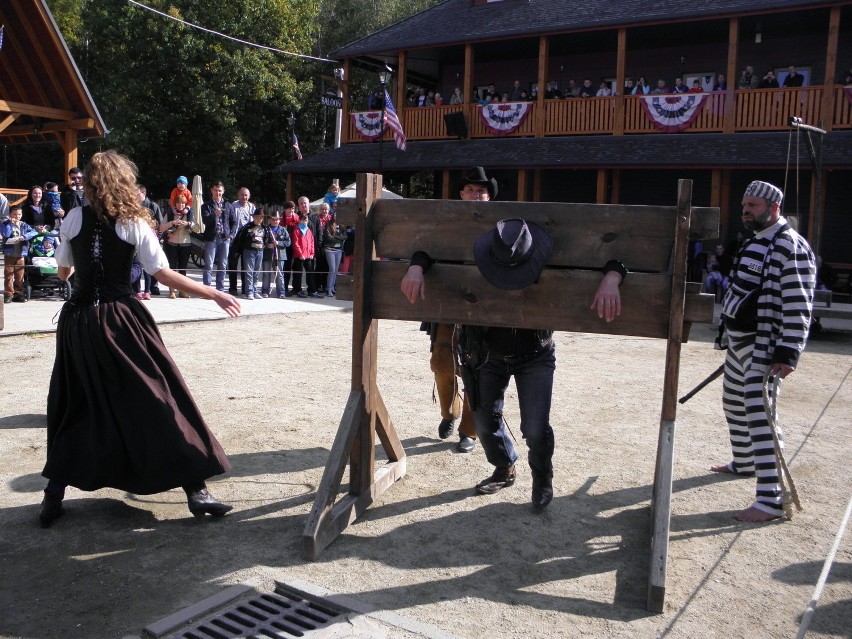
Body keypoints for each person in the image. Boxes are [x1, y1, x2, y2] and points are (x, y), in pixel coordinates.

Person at [39, 151, 241, 528]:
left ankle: (53, 495)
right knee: (160, 397)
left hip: (80, 323)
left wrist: (74, 259)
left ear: (91, 183)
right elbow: (162, 274)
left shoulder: (72, 218)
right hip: (120, 321)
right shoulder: (133, 223)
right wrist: (212, 293)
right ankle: (196, 491)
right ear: (123, 181)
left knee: (75, 402)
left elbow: (64, 272)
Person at [401, 217, 626, 508]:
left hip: (536, 354)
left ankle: (542, 478)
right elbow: (433, 249)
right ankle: (505, 467)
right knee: (483, 420)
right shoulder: (483, 251)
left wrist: (613, 275)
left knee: (535, 427)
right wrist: (417, 265)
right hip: (488, 352)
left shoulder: (550, 258)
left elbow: (610, 254)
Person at [711, 181, 816, 523]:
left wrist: (787, 353)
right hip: (739, 342)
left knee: (762, 419)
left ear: (773, 208)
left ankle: (770, 499)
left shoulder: (790, 246)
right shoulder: (755, 240)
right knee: (733, 405)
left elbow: (799, 303)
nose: (745, 210)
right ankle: (744, 462)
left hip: (763, 346)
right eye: (744, 204)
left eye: (753, 205)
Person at [200, 181, 235, 291]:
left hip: (225, 239)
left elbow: (234, 222)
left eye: (220, 191)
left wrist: (232, 234)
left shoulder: (228, 206)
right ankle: (207, 289)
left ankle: (220, 289)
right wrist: (214, 214)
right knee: (209, 265)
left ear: (223, 191)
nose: (218, 193)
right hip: (211, 238)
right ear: (212, 191)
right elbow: (205, 221)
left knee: (223, 265)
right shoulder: (205, 206)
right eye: (215, 190)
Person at [1, 205, 39, 303]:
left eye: (19, 214)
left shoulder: (23, 225)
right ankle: (8, 293)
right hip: (10, 254)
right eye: (14, 214)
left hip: (20, 254)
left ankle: (18, 293)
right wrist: (10, 224)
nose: (17, 216)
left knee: (19, 275)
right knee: (9, 275)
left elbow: (34, 232)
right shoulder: (5, 224)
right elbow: (5, 234)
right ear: (10, 215)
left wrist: (25, 236)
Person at [159, 194, 194, 299]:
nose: (181, 205)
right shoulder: (170, 212)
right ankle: (172, 290)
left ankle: (183, 291)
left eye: (183, 203)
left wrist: (188, 223)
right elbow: (161, 228)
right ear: (175, 203)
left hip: (185, 243)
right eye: (179, 203)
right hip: (171, 243)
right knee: (172, 268)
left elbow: (197, 227)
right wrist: (172, 223)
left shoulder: (190, 212)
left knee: (183, 269)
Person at [235, 208, 271, 300]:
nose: (259, 219)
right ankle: (249, 292)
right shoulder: (247, 227)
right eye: (257, 217)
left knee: (256, 272)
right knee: (249, 272)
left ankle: (255, 291)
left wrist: (264, 246)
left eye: (261, 218)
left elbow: (266, 239)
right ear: (254, 217)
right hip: (249, 251)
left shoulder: (265, 228)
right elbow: (240, 238)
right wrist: (246, 247)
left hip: (260, 251)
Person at [228, 187, 256, 295]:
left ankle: (245, 288)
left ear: (249, 196)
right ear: (238, 195)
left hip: (247, 240)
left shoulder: (252, 207)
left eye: (246, 195)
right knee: (233, 264)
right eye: (242, 195)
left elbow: (255, 222)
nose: (244, 197)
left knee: (246, 265)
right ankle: (233, 288)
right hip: (235, 239)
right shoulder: (233, 206)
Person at [137, 184, 164, 295]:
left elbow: (160, 223)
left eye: (136, 193)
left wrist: (159, 237)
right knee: (138, 264)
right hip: (138, 238)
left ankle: (153, 286)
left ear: (143, 193)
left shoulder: (152, 205)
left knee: (153, 262)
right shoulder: (133, 206)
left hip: (151, 237)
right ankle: (137, 289)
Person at [262, 210, 290, 299]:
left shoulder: (283, 230)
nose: (275, 221)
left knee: (280, 274)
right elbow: (261, 241)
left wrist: (278, 243)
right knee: (266, 273)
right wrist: (267, 245)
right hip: (267, 255)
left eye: (277, 219)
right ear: (270, 219)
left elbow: (288, 242)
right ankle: (265, 291)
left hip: (280, 255)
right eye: (274, 219)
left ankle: (281, 292)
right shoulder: (265, 229)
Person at [290, 209, 317, 298]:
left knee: (310, 273)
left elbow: (312, 242)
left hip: (308, 255)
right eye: (303, 220)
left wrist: (312, 253)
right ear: (300, 220)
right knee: (298, 273)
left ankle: (312, 290)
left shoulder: (308, 230)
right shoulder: (296, 230)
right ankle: (297, 290)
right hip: (299, 256)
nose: (305, 222)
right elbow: (295, 243)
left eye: (306, 220)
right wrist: (300, 254)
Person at [323, 218, 347, 297]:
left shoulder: (342, 226)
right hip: (330, 249)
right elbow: (328, 237)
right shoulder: (328, 224)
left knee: (336, 270)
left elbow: (345, 237)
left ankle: (333, 288)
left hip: (338, 250)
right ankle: (329, 289)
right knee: (332, 269)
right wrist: (339, 239)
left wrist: (336, 237)